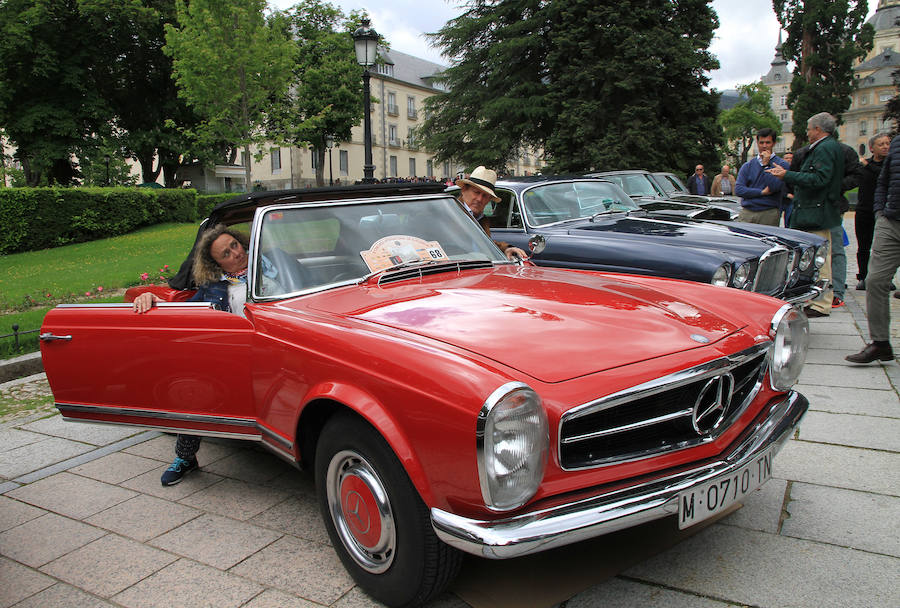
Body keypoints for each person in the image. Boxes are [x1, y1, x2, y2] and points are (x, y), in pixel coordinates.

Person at [133, 224, 280, 485]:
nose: (235, 254)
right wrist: (151, 299)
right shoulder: (215, 287)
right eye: (225, 254)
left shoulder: (276, 263)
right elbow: (185, 314)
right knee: (195, 391)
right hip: (236, 355)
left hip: (276, 348)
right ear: (218, 265)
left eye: (234, 245)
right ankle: (185, 458)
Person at [767, 112, 844, 318]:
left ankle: (821, 303)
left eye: (809, 129)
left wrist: (787, 175)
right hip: (815, 208)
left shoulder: (825, 148)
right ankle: (817, 300)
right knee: (818, 256)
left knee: (820, 258)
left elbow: (819, 179)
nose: (807, 133)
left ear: (818, 129)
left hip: (815, 210)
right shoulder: (827, 147)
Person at [845, 133, 900, 363]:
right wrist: (880, 212)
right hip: (891, 221)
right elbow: (884, 182)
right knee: (875, 280)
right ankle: (880, 343)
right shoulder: (897, 144)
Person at [455, 166, 528, 260]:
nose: (479, 199)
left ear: (489, 200)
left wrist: (506, 249)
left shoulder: (481, 218)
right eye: (476, 192)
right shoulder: (450, 213)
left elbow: (484, 244)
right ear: (464, 190)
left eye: (485, 196)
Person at [855, 132, 892, 290]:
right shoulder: (863, 165)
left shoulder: (890, 165)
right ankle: (863, 276)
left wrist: (868, 166)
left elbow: (884, 176)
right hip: (864, 209)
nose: (885, 147)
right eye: (881, 144)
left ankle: (885, 278)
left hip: (885, 211)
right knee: (864, 246)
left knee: (885, 248)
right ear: (871, 148)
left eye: (887, 143)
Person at [735, 128, 789, 225]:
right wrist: (761, 192)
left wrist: (766, 165)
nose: (764, 146)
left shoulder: (782, 165)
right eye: (761, 143)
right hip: (748, 211)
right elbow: (739, 190)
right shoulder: (748, 165)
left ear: (774, 143)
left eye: (768, 143)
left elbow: (774, 187)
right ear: (757, 143)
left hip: (768, 212)